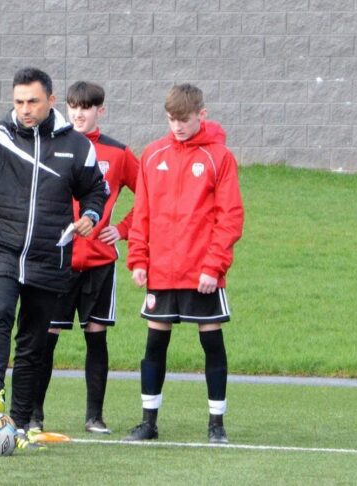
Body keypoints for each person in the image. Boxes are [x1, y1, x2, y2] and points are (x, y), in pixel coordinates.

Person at [0, 67, 107, 450]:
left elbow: (96, 189)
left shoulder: (76, 146)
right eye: (18, 102)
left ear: (50, 99)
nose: (25, 109)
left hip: (49, 253)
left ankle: (21, 421)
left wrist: (90, 216)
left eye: (33, 101)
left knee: (33, 342)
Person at [124, 83, 244, 444]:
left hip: (201, 273)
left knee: (211, 344)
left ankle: (216, 425)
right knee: (154, 345)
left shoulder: (219, 157)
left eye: (185, 119)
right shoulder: (152, 154)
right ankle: (148, 422)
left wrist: (214, 266)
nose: (177, 126)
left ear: (201, 115)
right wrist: (138, 259)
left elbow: (230, 218)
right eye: (172, 119)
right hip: (160, 272)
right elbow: (141, 213)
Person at [28, 81, 139, 436]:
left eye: (87, 107)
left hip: (99, 264)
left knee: (97, 337)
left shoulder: (118, 154)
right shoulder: (51, 146)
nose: (79, 113)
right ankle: (33, 414)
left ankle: (94, 417)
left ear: (99, 111)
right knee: (46, 339)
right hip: (55, 262)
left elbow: (151, 196)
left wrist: (121, 229)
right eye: (74, 106)